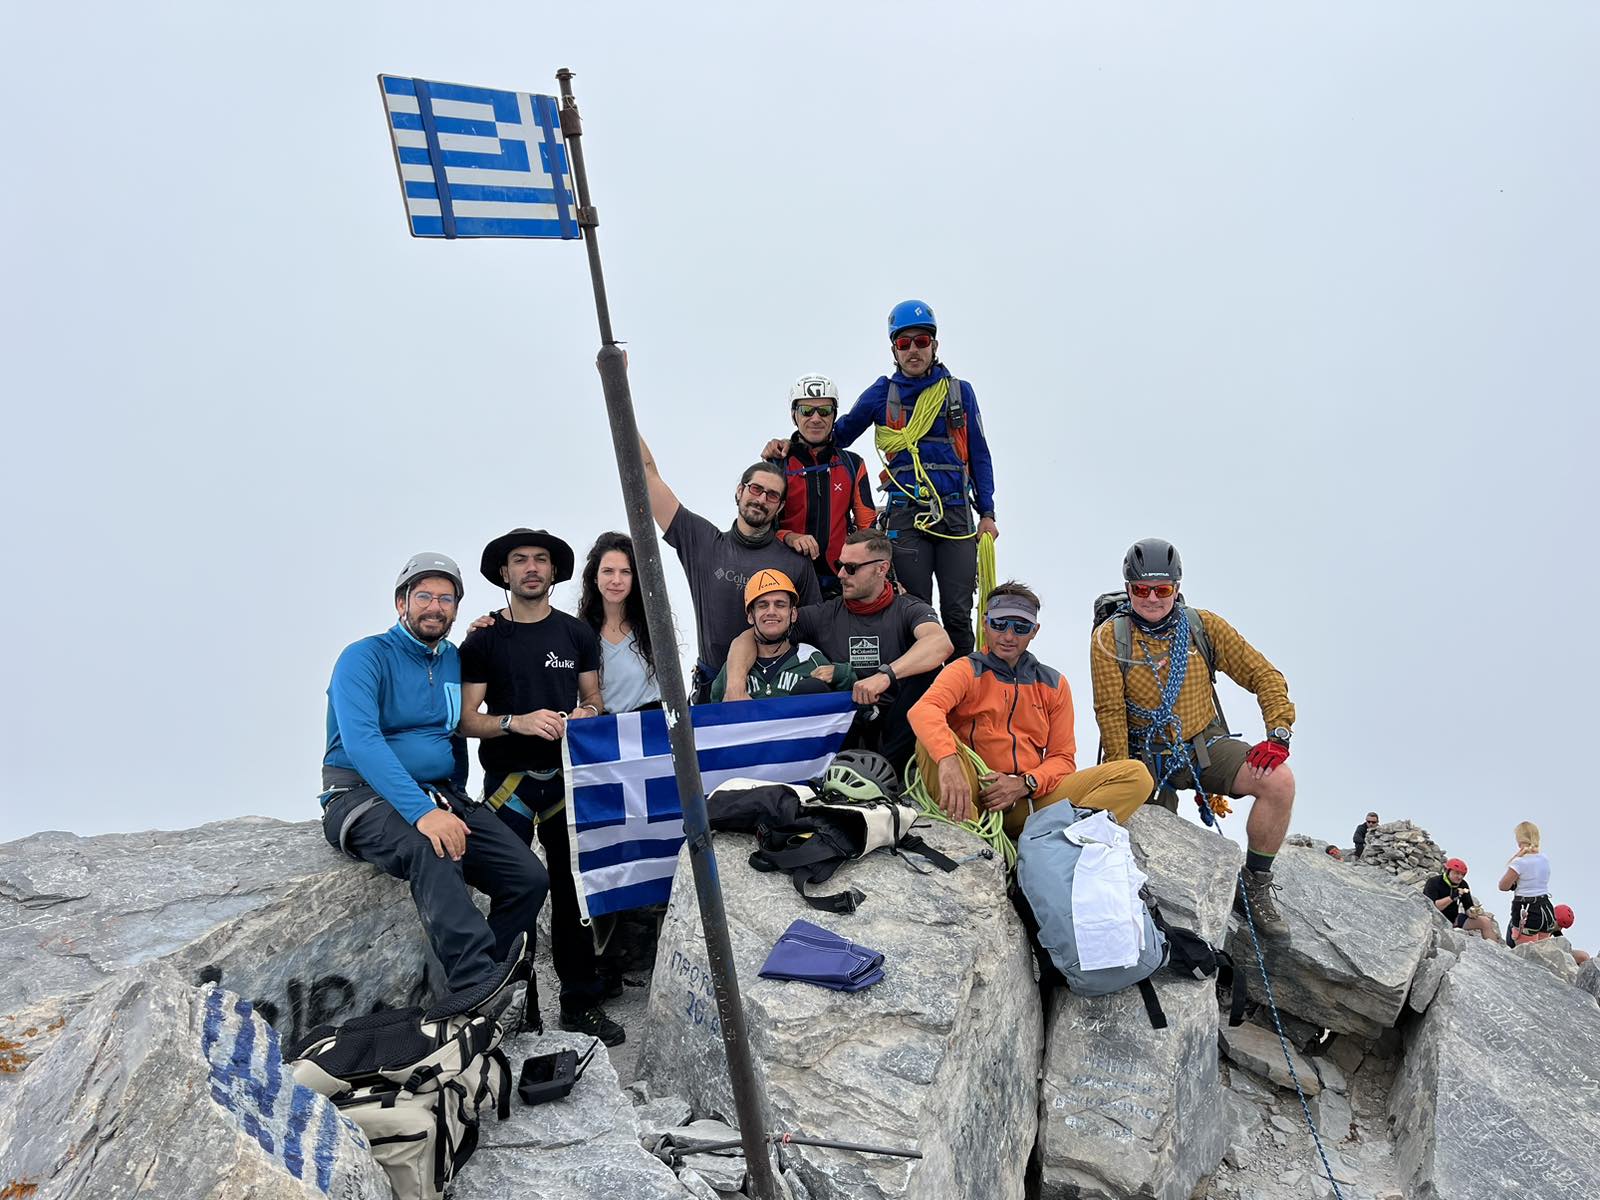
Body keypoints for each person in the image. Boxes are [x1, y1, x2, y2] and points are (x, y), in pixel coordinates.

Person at [320, 553, 546, 1004]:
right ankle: (472, 987)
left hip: (441, 793)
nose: (434, 606)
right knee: (434, 846)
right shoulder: (364, 657)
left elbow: (453, 732)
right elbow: (363, 742)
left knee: (528, 877)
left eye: (446, 598)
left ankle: (489, 980)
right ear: (400, 602)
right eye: (423, 595)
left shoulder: (450, 660)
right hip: (360, 794)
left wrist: (453, 798)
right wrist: (424, 813)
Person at [457, 529, 624, 1046]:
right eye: (520, 560)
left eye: (542, 560)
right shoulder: (483, 640)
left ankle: (579, 1001)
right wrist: (518, 722)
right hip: (508, 783)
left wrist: (585, 713)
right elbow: (465, 720)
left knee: (575, 895)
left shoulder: (576, 634)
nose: (532, 567)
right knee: (516, 892)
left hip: (566, 782)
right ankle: (512, 1006)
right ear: (503, 574)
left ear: (555, 573)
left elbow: (595, 697)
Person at [1089, 538, 1298, 937]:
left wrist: (1279, 732)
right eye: (1141, 590)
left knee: (1279, 782)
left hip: (1204, 746)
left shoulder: (1203, 627)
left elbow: (1264, 675)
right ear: (1129, 588)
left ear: (1178, 588)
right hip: (1142, 757)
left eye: (1163, 589)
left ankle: (1254, 885)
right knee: (1140, 857)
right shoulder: (1108, 640)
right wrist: (1120, 780)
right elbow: (1111, 714)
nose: (1152, 599)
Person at [816, 300, 997, 659]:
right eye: (904, 343)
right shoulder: (882, 393)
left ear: (935, 345)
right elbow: (837, 437)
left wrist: (988, 513)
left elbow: (979, 455)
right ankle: (922, 696)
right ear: (894, 349)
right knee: (915, 611)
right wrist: (791, 447)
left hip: (956, 514)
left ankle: (964, 696)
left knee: (958, 614)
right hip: (907, 517)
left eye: (922, 340)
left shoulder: (959, 392)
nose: (914, 349)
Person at [909, 581, 1153, 842]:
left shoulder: (1053, 684)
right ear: (985, 623)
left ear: (1034, 631)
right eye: (999, 624)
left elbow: (1062, 758)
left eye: (1020, 627)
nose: (1008, 636)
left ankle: (1053, 845)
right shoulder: (966, 670)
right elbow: (924, 710)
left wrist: (1024, 784)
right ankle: (974, 842)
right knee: (930, 742)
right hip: (973, 793)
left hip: (1028, 802)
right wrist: (948, 760)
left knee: (1136, 776)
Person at [721, 529, 953, 770]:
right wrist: (735, 685)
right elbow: (752, 635)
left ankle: (893, 775)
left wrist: (884, 676)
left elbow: (940, 643)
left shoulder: (908, 608)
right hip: (846, 728)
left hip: (897, 726)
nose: (841, 574)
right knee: (811, 688)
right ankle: (817, 775)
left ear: (881, 568)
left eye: (851, 568)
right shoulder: (825, 614)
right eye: (839, 564)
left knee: (930, 674)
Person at [639, 436, 821, 701]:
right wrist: (621, 414)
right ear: (739, 491)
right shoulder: (702, 543)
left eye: (772, 496)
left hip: (779, 696)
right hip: (712, 691)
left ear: (780, 506)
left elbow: (813, 631)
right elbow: (647, 474)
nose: (761, 500)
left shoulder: (796, 560)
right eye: (755, 489)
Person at [762, 374, 876, 599]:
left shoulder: (852, 464)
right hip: (786, 581)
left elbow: (867, 527)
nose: (816, 418)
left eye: (824, 411)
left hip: (840, 583)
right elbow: (759, 526)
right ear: (794, 415)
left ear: (834, 415)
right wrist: (789, 536)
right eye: (806, 411)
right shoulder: (778, 463)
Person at [709, 570, 856, 700]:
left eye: (780, 605)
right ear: (750, 616)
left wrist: (842, 673)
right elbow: (714, 717)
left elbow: (847, 702)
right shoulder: (732, 669)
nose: (771, 611)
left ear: (793, 614)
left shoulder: (810, 659)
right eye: (763, 605)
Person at [577, 531, 661, 714]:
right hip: (606, 734)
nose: (616, 580)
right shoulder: (579, 633)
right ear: (595, 576)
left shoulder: (654, 627)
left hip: (651, 728)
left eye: (625, 572)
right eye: (608, 571)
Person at [1499, 820, 1555, 947]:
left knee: (1525, 956)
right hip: (1545, 908)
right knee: (1541, 952)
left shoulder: (1520, 862)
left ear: (1519, 839)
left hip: (1526, 909)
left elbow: (1503, 886)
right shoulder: (1544, 858)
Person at [1422, 858, 1498, 942]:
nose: (1460, 877)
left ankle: (1496, 951)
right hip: (1434, 920)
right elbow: (1434, 907)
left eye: (1463, 874)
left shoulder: (1463, 885)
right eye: (1456, 873)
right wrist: (1452, 897)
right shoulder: (1433, 882)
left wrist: (1472, 912)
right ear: (1447, 871)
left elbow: (1468, 906)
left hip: (1454, 920)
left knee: (1485, 921)